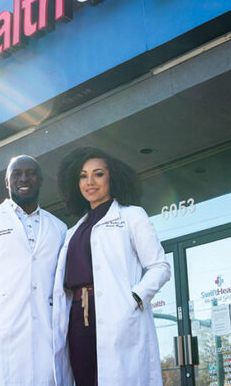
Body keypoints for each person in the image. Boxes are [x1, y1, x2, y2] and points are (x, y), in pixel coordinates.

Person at [52, 147, 171, 386]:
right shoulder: (73, 231)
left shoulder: (131, 217)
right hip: (77, 319)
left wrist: (134, 298)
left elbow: (160, 266)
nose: (89, 182)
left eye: (98, 174)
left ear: (111, 177)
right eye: (83, 176)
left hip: (118, 314)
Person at [0, 155, 67, 386]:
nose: (23, 178)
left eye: (30, 173)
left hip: (45, 337)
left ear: (41, 181)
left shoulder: (59, 228)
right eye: (16, 174)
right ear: (7, 182)